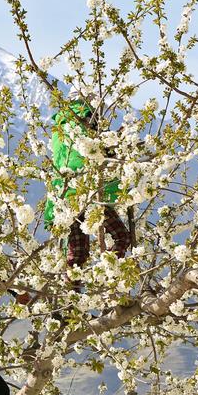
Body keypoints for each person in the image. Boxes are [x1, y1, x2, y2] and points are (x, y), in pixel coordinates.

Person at [45, 97, 131, 286]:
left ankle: (71, 292)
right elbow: (102, 153)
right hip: (90, 193)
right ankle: (109, 275)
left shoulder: (60, 129)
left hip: (65, 198)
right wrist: (121, 140)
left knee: (77, 253)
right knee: (121, 237)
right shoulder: (88, 123)